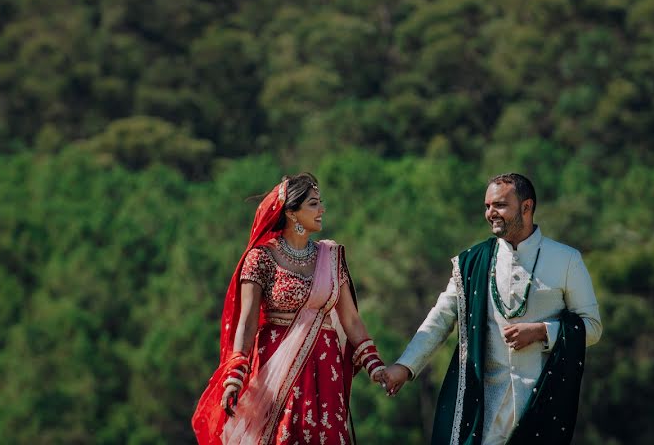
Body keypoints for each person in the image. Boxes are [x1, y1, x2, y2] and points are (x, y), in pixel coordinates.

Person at [380, 173, 602, 445]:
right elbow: (439, 320)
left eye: (499, 205)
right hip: (481, 409)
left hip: (541, 406)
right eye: (487, 206)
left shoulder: (566, 260)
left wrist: (542, 332)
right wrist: (405, 366)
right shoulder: (471, 263)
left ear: (526, 207)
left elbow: (591, 326)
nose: (490, 213)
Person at [193, 173, 387, 445]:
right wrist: (234, 377)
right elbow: (247, 323)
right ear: (292, 213)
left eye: (321, 203)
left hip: (325, 374)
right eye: (313, 204)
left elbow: (351, 320)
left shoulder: (330, 258)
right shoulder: (261, 258)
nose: (322, 210)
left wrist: (374, 365)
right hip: (276, 373)